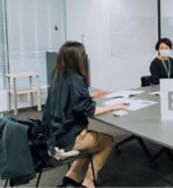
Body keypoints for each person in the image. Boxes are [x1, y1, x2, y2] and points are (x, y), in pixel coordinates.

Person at [42, 41, 127, 188]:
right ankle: (88, 181)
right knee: (107, 142)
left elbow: (69, 101)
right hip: (67, 137)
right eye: (83, 55)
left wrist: (92, 96)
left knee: (90, 143)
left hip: (52, 133)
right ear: (77, 58)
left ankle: (72, 175)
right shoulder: (76, 79)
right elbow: (90, 111)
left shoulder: (56, 75)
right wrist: (114, 106)